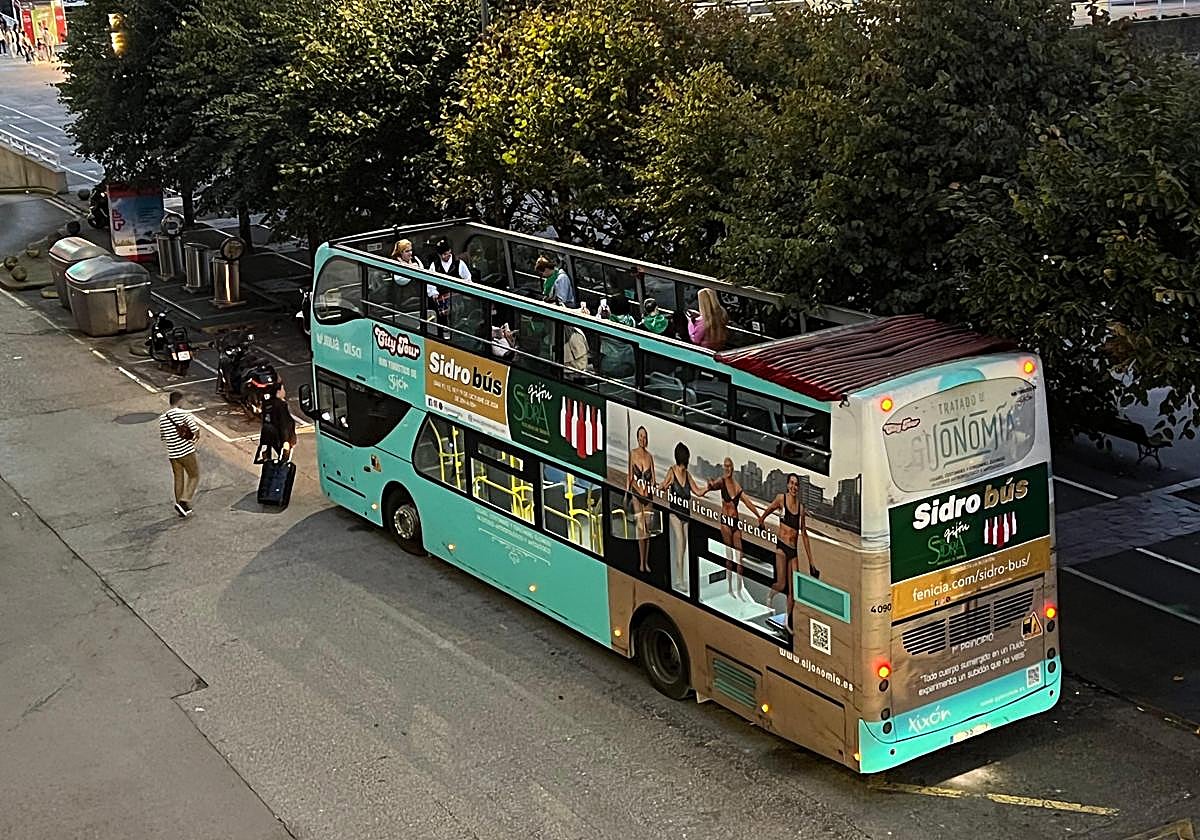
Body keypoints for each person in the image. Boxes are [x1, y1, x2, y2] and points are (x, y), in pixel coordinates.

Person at [758, 474, 818, 634]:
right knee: (781, 584)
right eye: (791, 483)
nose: (794, 487)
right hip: (781, 546)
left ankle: (787, 622)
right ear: (787, 485)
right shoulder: (781, 499)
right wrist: (761, 520)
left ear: (798, 488)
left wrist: (811, 563)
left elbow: (804, 534)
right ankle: (770, 596)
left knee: (794, 591)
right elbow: (768, 510)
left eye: (796, 484)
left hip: (793, 551)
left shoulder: (801, 509)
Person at [706, 457, 763, 601]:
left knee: (740, 558)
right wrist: (710, 484)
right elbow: (713, 486)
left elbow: (748, 502)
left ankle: (739, 588)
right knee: (729, 558)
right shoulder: (722, 481)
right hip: (725, 522)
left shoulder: (737, 486)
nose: (727, 469)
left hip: (735, 522)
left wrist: (759, 516)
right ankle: (729, 589)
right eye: (725, 466)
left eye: (729, 466)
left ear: (733, 468)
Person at [659, 442, 708, 593]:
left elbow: (698, 492)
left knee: (685, 547)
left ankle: (681, 576)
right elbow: (663, 485)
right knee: (680, 542)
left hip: (686, 515)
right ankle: (679, 580)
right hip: (674, 513)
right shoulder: (672, 471)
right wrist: (662, 487)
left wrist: (709, 487)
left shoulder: (687, 474)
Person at [158, 391, 200, 517]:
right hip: (186, 451)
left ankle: (180, 505)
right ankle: (184, 501)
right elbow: (195, 429)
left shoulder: (162, 418)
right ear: (180, 401)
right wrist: (195, 437)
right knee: (194, 476)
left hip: (172, 453)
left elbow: (163, 436)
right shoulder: (184, 414)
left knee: (178, 478)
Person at [624, 425, 656, 574]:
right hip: (636, 494)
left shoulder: (650, 457)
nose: (643, 439)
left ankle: (646, 561)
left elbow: (653, 480)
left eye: (645, 436)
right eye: (641, 436)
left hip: (648, 496)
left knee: (647, 530)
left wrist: (653, 494)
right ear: (637, 438)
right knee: (641, 528)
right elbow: (630, 476)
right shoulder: (632, 454)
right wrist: (626, 494)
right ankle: (641, 562)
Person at [257, 382, 297, 464]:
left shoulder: (267, 404)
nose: (284, 391)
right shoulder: (281, 406)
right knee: (283, 463)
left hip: (271, 438)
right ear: (278, 392)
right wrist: (286, 441)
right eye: (283, 389)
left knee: (272, 463)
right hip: (282, 439)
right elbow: (284, 424)